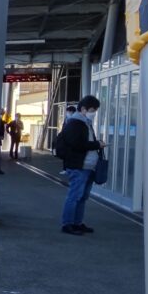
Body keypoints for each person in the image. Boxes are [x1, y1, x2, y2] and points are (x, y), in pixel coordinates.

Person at [55, 95, 105, 235]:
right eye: (92, 110)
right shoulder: (75, 123)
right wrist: (97, 144)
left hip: (87, 166)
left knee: (82, 197)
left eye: (95, 110)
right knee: (75, 196)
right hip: (78, 166)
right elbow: (76, 144)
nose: (94, 113)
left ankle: (77, 223)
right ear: (83, 109)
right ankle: (68, 224)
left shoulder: (85, 122)